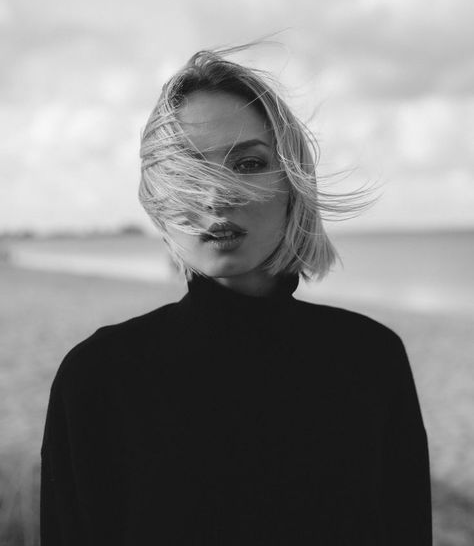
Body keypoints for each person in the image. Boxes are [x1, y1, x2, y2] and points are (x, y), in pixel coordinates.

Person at [40, 45, 432, 545]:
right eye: (189, 173)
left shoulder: (371, 359)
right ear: (159, 198)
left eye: (247, 164)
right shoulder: (96, 377)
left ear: (294, 183)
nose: (216, 195)